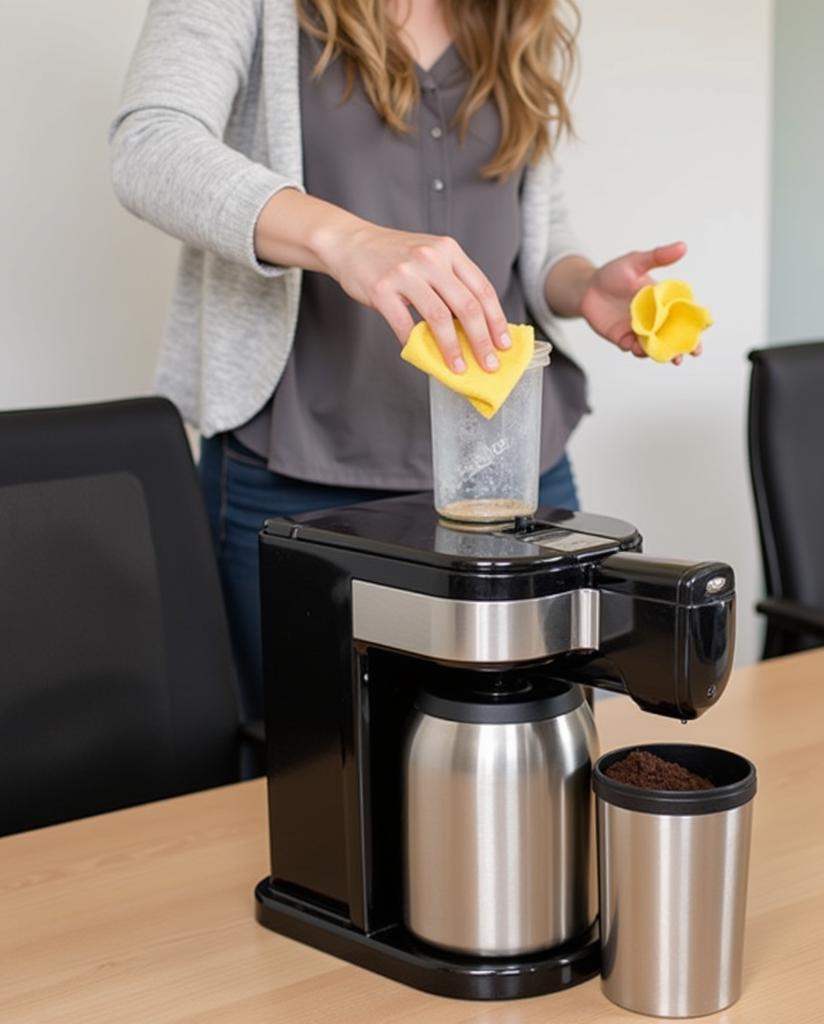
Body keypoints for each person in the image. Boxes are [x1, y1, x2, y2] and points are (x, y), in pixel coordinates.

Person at [111, 0, 698, 720]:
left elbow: (533, 228)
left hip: (517, 476)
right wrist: (344, 238)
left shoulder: (511, 16)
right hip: (302, 474)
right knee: (311, 760)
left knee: (537, 747)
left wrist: (582, 286)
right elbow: (148, 144)